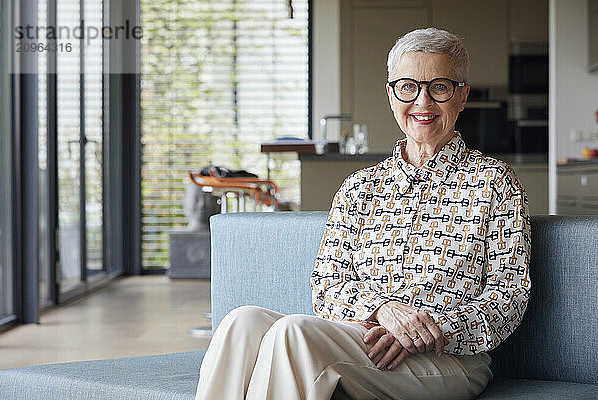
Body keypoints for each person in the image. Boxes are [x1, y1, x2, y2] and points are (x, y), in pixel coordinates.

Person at [195, 27, 531, 400]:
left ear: (462, 95)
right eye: (408, 87)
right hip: (366, 340)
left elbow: (508, 296)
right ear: (391, 95)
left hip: (448, 358)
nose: (422, 102)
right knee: (241, 322)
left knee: (293, 333)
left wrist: (426, 329)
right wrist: (384, 310)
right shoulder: (359, 187)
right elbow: (326, 286)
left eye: (439, 87)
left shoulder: (494, 182)